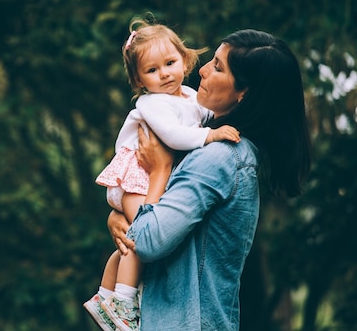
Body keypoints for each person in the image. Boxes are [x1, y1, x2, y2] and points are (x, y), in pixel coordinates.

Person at [106, 29, 311, 330]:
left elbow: (147, 242)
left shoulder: (218, 158)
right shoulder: (217, 149)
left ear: (244, 93)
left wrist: (160, 170)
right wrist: (117, 214)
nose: (200, 69)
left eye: (217, 67)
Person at [83, 16, 240, 331]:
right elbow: (173, 136)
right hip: (134, 178)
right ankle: (124, 303)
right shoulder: (153, 103)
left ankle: (105, 295)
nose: (164, 74)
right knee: (140, 239)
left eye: (170, 63)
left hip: (149, 176)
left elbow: (206, 113)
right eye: (152, 71)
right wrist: (210, 136)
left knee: (129, 239)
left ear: (184, 59)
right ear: (140, 81)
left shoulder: (188, 95)